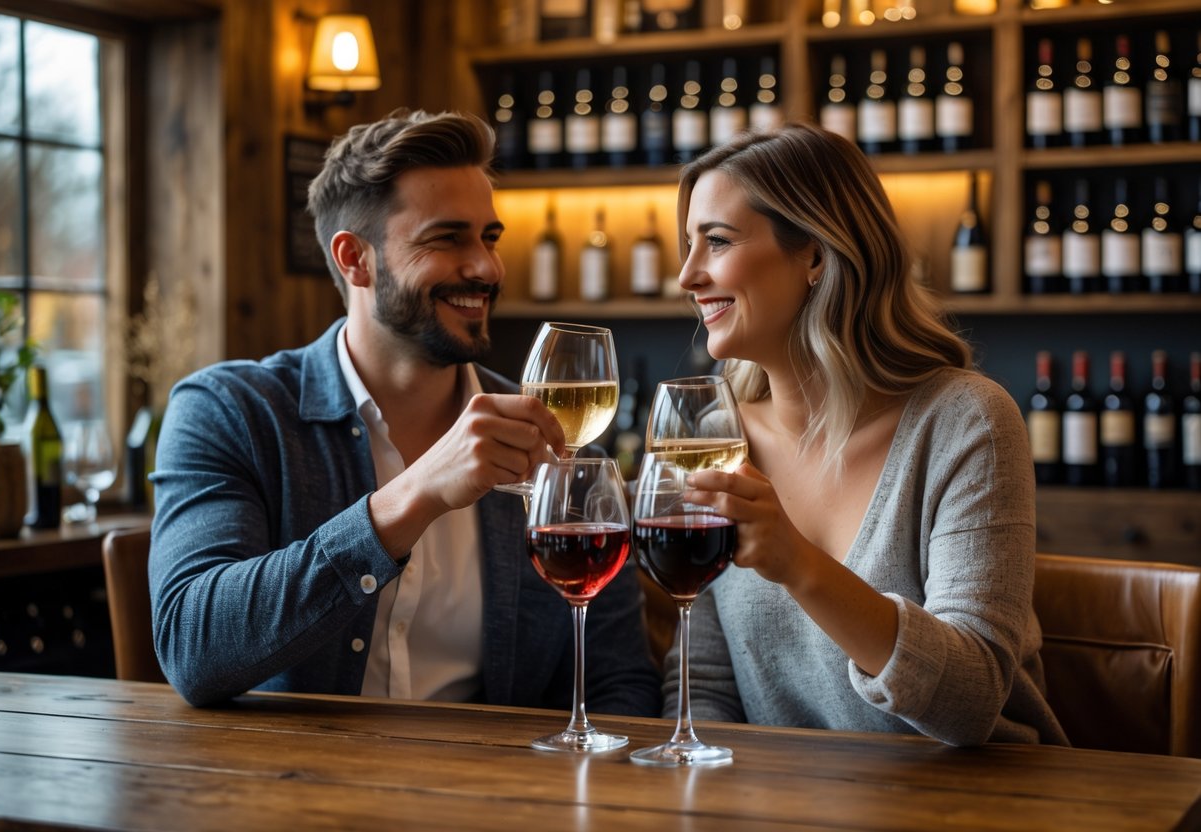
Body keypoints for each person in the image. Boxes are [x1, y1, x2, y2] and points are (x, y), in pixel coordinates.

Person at [149, 109, 660, 715]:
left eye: (489, 238)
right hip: (290, 797)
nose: (487, 267)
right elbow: (193, 646)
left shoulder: (557, 441)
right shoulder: (230, 412)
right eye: (447, 238)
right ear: (354, 259)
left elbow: (620, 686)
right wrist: (414, 495)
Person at [670, 122, 1068, 747]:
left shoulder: (966, 421)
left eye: (716, 241)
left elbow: (971, 701)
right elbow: (704, 687)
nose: (687, 275)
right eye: (687, 245)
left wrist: (797, 563)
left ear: (818, 255)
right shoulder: (710, 434)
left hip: (976, 799)